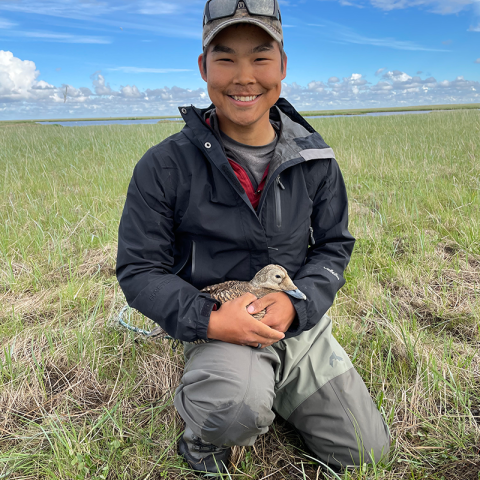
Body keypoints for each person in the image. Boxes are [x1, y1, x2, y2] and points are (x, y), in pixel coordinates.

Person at [116, 0, 390, 474]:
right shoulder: (165, 166)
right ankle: (206, 432)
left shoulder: (315, 158)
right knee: (233, 412)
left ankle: (274, 382)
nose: (244, 76)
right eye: (226, 58)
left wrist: (295, 306)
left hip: (296, 322)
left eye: (260, 57)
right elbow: (140, 271)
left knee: (367, 453)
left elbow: (332, 247)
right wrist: (212, 321)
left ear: (283, 66)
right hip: (219, 323)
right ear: (204, 68)